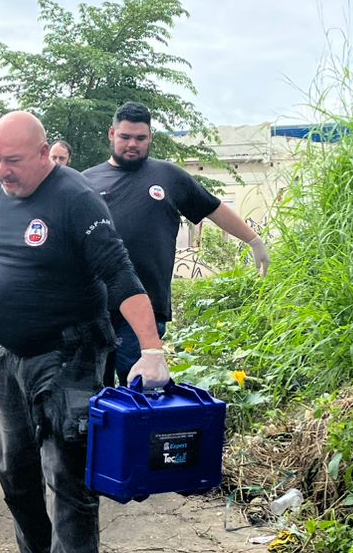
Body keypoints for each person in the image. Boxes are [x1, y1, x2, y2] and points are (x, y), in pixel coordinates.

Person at [0, 111, 169, 553]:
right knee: (13, 470)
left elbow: (122, 276)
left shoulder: (76, 199)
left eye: (13, 160)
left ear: (44, 154)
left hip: (69, 357)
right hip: (6, 357)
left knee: (67, 479)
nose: (2, 170)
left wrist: (151, 348)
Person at [82, 102, 269, 381]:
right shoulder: (86, 181)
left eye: (140, 138)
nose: (132, 144)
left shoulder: (168, 176)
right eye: (125, 137)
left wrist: (253, 240)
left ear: (150, 138)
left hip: (146, 306)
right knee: (92, 393)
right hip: (94, 307)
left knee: (139, 392)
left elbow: (213, 208)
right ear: (112, 134)